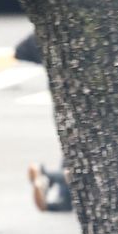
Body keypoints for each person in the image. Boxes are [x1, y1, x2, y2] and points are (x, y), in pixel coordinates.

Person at [12, 32, 72, 212]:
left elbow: (21, 51)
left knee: (74, 152)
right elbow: (22, 50)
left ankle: (63, 197)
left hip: (66, 104)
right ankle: (51, 177)